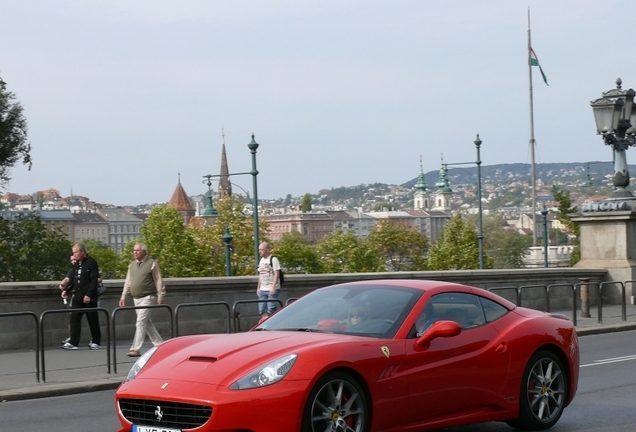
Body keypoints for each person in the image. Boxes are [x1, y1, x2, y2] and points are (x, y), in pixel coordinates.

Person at [119, 242, 166, 358]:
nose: (134, 252)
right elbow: (128, 282)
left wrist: (161, 295)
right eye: (134, 250)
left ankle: (135, 348)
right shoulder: (132, 265)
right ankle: (160, 345)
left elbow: (158, 280)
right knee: (146, 322)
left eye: (137, 250)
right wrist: (124, 296)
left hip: (148, 297)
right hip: (136, 298)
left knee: (140, 322)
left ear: (144, 252)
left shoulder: (152, 264)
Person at [61, 243, 102, 350]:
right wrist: (67, 290)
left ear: (83, 252)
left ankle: (96, 341)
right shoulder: (77, 264)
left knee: (92, 319)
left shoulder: (91, 262)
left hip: (89, 297)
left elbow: (93, 281)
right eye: (73, 253)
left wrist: (89, 295)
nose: (74, 255)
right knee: (74, 318)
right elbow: (75, 279)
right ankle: (73, 342)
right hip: (78, 296)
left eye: (76, 252)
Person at [256, 242, 281, 319]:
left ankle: (275, 322)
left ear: (267, 250)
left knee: (271, 308)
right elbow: (261, 274)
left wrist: (273, 287)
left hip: (271, 288)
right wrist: (258, 288)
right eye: (259, 250)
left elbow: (277, 273)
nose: (259, 251)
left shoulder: (273, 259)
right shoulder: (261, 260)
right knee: (262, 309)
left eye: (261, 250)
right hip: (263, 288)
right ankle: (266, 324)